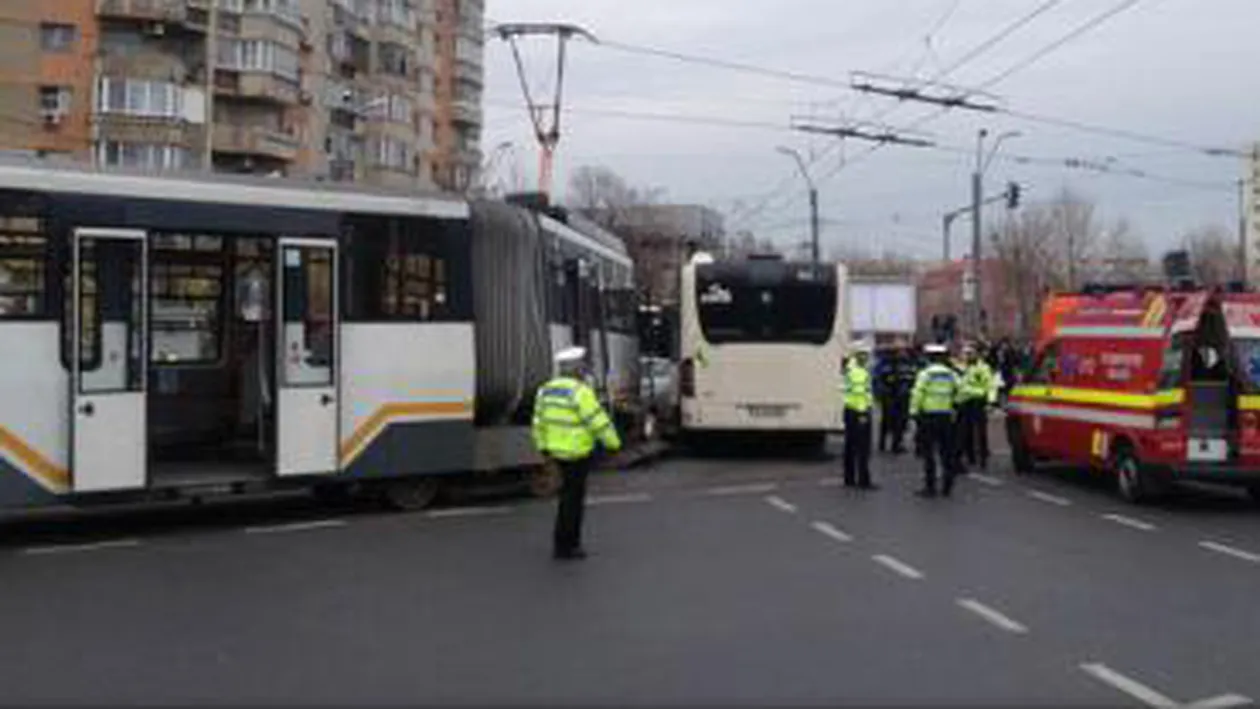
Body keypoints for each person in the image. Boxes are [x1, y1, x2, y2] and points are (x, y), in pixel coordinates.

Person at [532, 346, 623, 560]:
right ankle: (568, 545)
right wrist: (614, 444)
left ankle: (561, 543)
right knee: (573, 501)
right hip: (576, 453)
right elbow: (598, 421)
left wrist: (543, 447)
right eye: (581, 366)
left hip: (554, 452)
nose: (583, 370)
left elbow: (538, 422)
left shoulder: (545, 390)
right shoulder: (580, 392)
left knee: (565, 498)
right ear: (576, 369)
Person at [910, 343, 962, 498]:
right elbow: (961, 391)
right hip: (945, 415)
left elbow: (917, 393)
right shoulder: (951, 374)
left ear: (929, 358)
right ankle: (947, 485)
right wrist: (954, 405)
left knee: (929, 453)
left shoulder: (926, 374)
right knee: (946, 452)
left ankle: (930, 487)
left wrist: (913, 412)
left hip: (929, 416)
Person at [958, 342, 999, 471]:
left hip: (978, 401)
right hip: (964, 401)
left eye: (970, 353)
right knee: (965, 430)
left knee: (981, 430)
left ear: (977, 354)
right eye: (965, 353)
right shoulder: (961, 368)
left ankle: (983, 456)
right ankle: (970, 456)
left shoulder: (983, 368)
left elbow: (990, 385)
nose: (967, 356)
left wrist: (991, 401)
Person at [842, 342, 876, 490]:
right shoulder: (858, 372)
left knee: (850, 446)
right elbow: (860, 393)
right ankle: (863, 480)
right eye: (864, 354)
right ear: (858, 355)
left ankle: (849, 478)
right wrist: (863, 413)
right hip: (859, 411)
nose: (866, 357)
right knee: (863, 448)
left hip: (850, 410)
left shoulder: (851, 368)